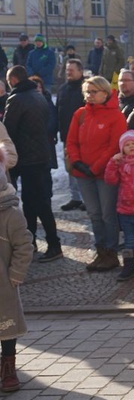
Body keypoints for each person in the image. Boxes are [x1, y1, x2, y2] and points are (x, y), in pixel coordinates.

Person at [66, 76, 127, 272]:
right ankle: (100, 250)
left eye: (94, 92)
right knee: (94, 214)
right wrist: (77, 162)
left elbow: (113, 146)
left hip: (104, 173)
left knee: (108, 214)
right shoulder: (80, 114)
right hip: (83, 172)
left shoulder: (116, 115)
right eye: (87, 92)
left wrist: (94, 167)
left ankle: (111, 252)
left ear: (105, 92)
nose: (90, 96)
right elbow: (71, 141)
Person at [4, 66, 62, 262]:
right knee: (34, 202)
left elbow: (8, 131)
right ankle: (32, 242)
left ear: (12, 80)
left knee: (37, 203)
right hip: (40, 157)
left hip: (27, 159)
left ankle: (53, 244)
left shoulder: (17, 99)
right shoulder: (38, 95)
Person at [0, 149, 34, 393]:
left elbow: (24, 246)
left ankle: (8, 366)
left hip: (3, 284)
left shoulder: (11, 215)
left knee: (6, 328)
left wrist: (15, 275)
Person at [104, 130, 134, 281]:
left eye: (133, 144)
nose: (131, 147)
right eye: (127, 145)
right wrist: (112, 163)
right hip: (126, 211)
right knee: (129, 241)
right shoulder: (121, 163)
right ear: (122, 148)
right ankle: (128, 266)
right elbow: (110, 180)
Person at [57, 59, 87, 212]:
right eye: (67, 70)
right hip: (67, 136)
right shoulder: (62, 89)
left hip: (85, 136)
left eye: (72, 70)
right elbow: (58, 112)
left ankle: (87, 198)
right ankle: (75, 197)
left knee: (84, 166)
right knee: (71, 167)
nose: (68, 72)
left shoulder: (87, 89)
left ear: (80, 72)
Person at [28, 76, 58, 173]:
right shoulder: (24, 103)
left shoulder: (48, 102)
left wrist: (45, 131)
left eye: (39, 87)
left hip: (46, 140)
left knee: (46, 172)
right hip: (31, 143)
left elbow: (53, 120)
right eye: (34, 88)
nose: (37, 90)